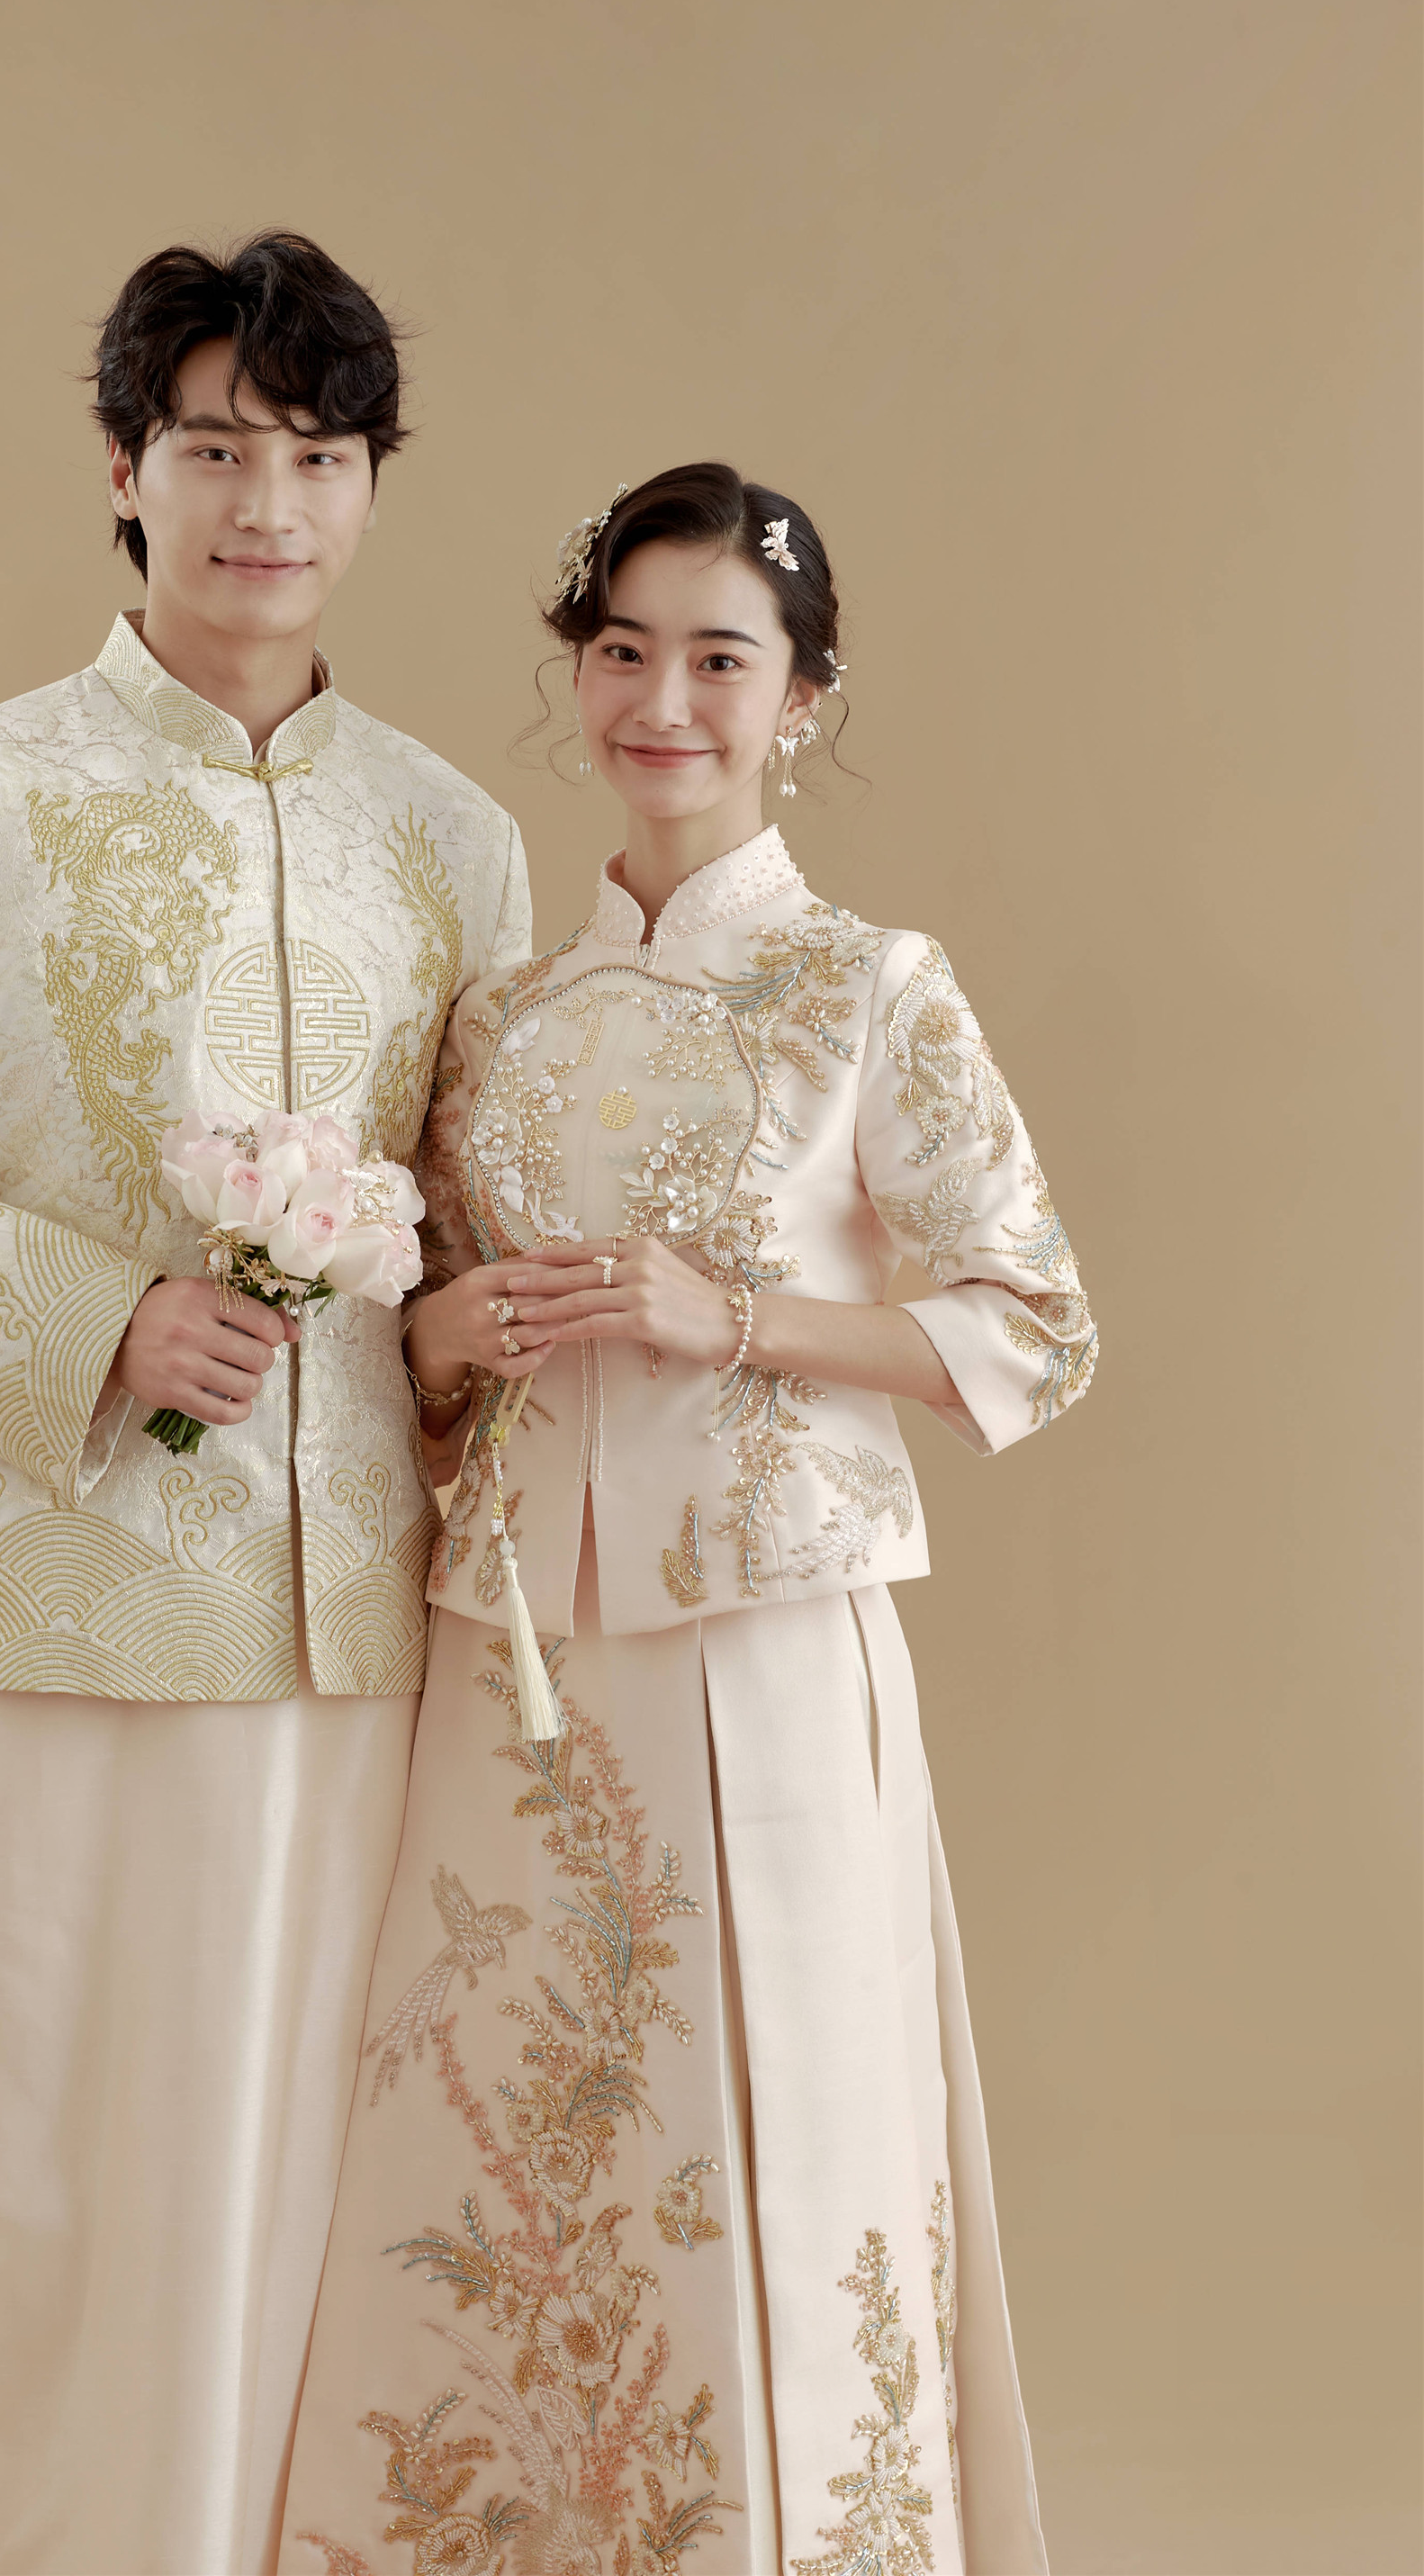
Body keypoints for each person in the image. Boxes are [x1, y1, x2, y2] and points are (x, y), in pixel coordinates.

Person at [0, 231, 530, 2576]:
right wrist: (95, 1322)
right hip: (40, 1598)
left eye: (318, 456)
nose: (267, 504)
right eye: (214, 449)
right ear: (122, 469)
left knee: (304, 2172)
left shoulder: (447, 839)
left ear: (372, 486)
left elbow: (466, 1217)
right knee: (31, 2172)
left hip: (342, 1625)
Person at [280, 464, 1094, 2574]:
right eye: (624, 651)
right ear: (577, 675)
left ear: (801, 698)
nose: (664, 702)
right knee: (506, 2129)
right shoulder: (492, 1016)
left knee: (773, 2118)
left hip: (768, 1643)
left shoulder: (869, 985)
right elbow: (414, 1360)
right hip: (508, 1666)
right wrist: (439, 1331)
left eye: (720, 659)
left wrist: (725, 1317)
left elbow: (1032, 1327)